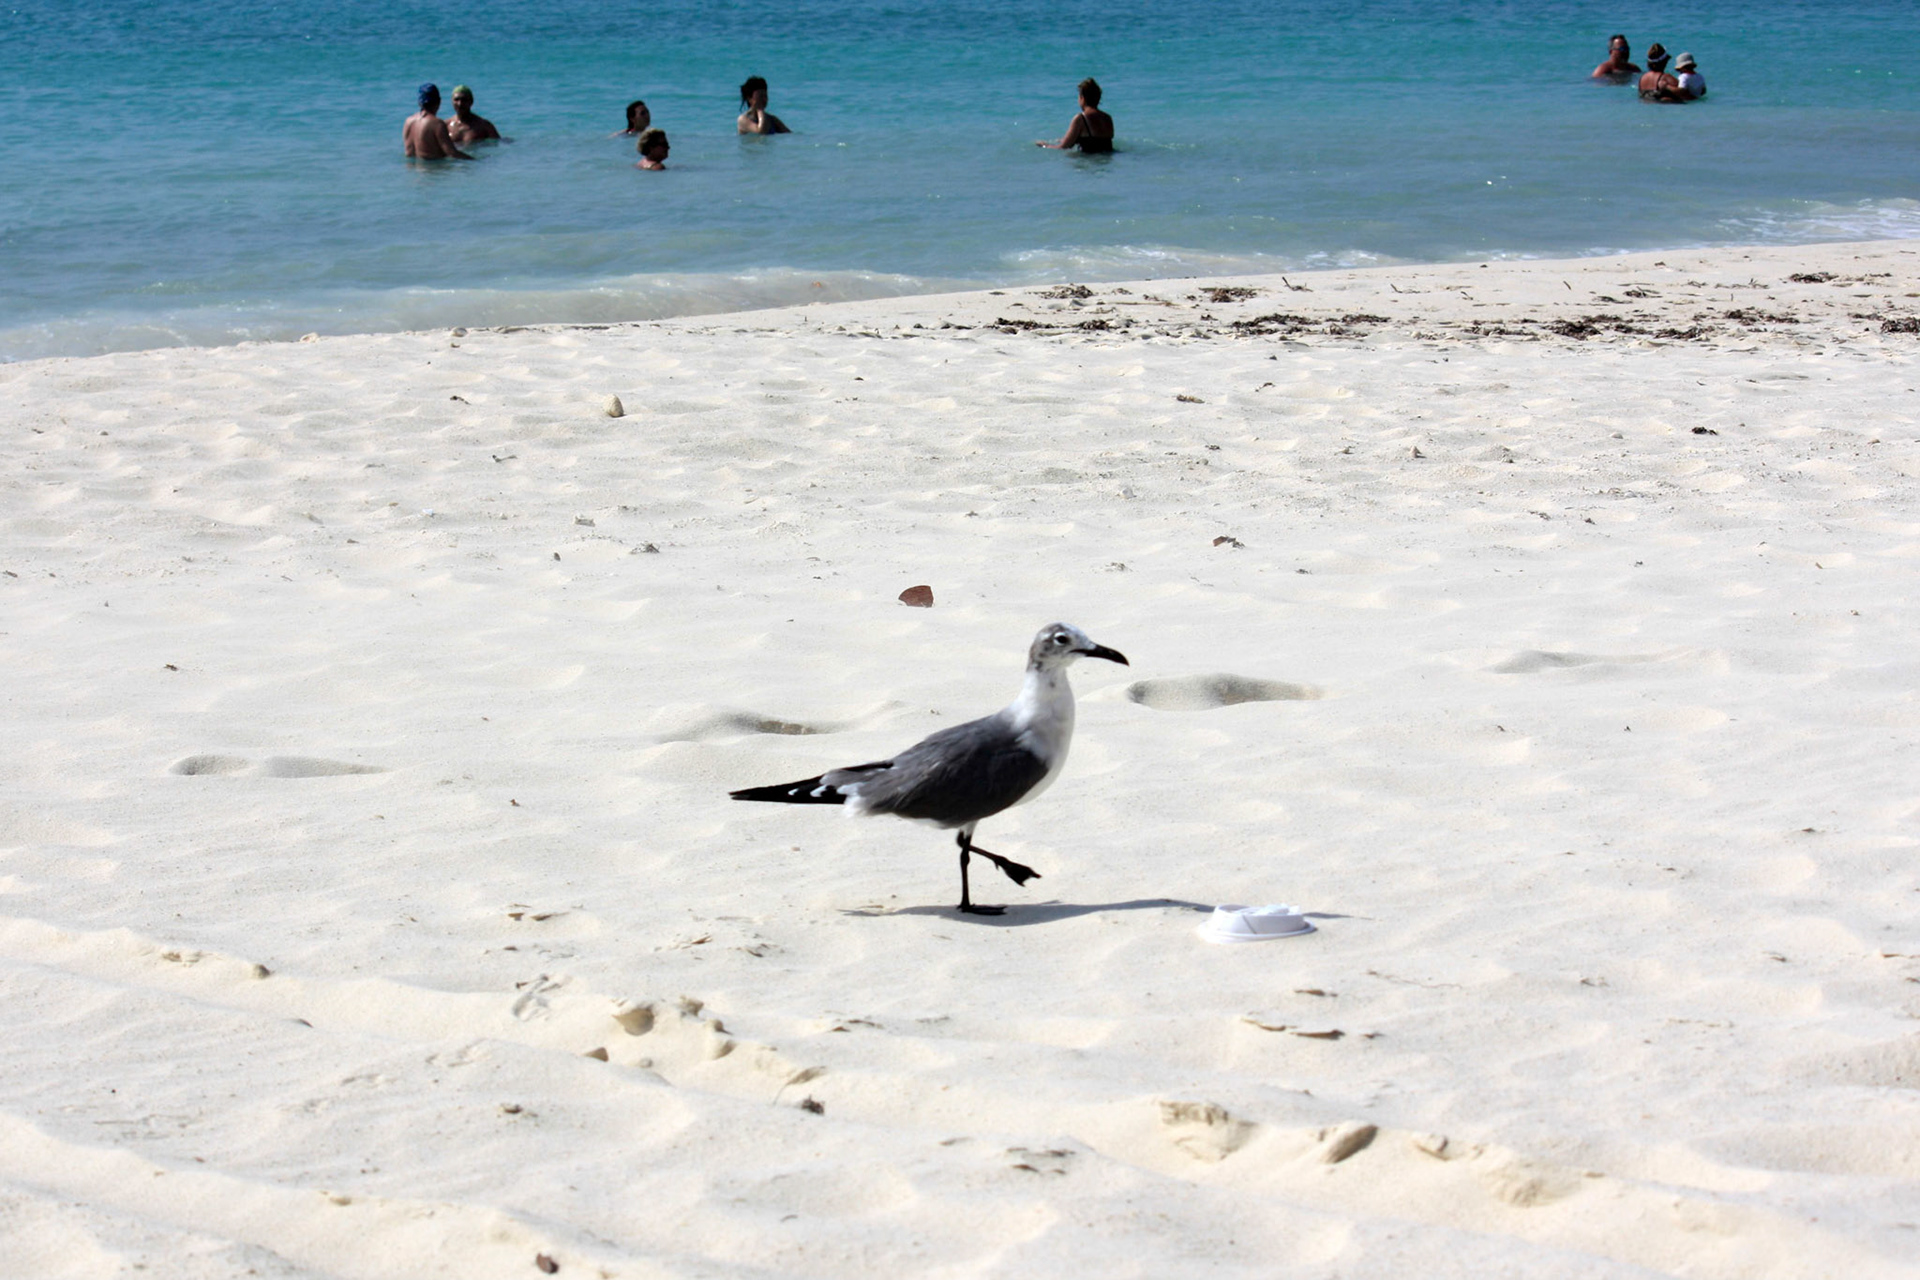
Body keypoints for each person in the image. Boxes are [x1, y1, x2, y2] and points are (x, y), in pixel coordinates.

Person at [1037, 77, 1114, 153]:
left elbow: (1064, 147)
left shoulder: (1081, 118)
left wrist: (1045, 145)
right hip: (1107, 159)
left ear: (1082, 98)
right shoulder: (1108, 118)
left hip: (1089, 160)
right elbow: (1098, 142)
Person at [403, 84, 472, 160]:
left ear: (419, 102)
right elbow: (452, 153)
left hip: (412, 167)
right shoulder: (437, 124)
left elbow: (408, 153)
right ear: (439, 101)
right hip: (433, 167)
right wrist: (475, 161)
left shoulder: (408, 121)